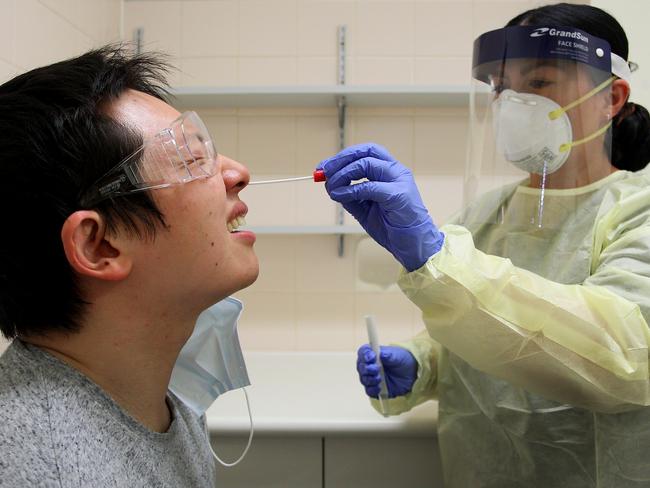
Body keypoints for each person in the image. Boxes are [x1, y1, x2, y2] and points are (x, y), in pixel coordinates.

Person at [318, 3, 650, 487]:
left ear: (612, 98)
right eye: (500, 88)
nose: (513, 104)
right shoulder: (484, 215)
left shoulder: (638, 211)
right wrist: (423, 363)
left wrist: (439, 261)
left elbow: (623, 353)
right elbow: (480, 329)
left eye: (538, 84)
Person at [0, 46, 258, 487]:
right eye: (192, 159)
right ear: (99, 246)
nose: (237, 172)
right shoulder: (48, 470)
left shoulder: (154, 402)